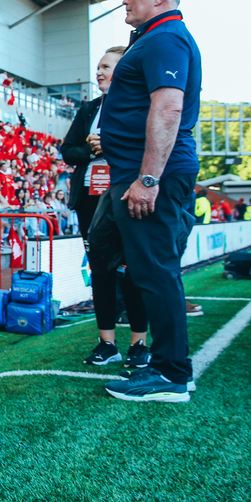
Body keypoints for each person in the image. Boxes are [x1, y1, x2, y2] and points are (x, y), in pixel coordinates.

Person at [99, 0, 201, 403]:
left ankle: (170, 373)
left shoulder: (164, 38)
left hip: (152, 175)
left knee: (155, 271)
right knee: (150, 270)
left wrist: (146, 178)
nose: (124, 0)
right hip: (147, 173)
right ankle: (169, 366)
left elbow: (168, 107)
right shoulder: (157, 38)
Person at [61, 46, 150, 368]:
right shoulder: (88, 109)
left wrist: (111, 145)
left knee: (132, 271)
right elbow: (67, 150)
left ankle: (139, 343)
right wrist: (92, 150)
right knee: (100, 271)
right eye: (98, 66)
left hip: (126, 197)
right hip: (90, 199)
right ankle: (106, 342)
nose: (99, 72)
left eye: (107, 66)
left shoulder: (139, 104)